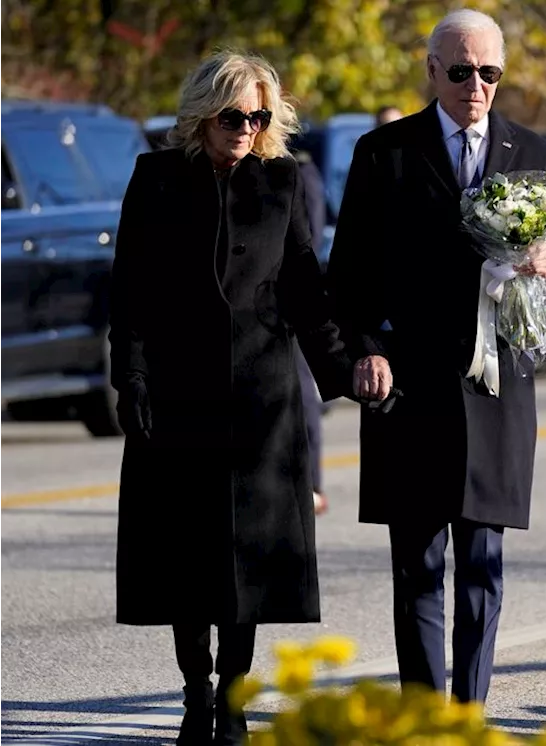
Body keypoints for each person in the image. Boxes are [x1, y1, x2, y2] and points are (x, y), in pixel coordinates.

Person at [325, 8, 546, 705]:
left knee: (483, 563)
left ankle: (467, 713)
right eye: (462, 70)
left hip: (495, 389)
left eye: (489, 73)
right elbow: (347, 277)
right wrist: (365, 351)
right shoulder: (384, 155)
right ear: (433, 71)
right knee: (417, 563)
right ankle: (422, 715)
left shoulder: (535, 153)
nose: (476, 85)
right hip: (410, 391)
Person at [108, 51, 354, 745]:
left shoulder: (283, 182)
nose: (245, 128)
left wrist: (346, 370)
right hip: (177, 397)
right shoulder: (156, 180)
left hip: (260, 400)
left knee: (246, 563)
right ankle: (194, 690)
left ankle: (234, 698)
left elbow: (306, 290)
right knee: (187, 562)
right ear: (202, 115)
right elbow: (128, 295)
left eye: (258, 116)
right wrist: (132, 382)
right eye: (232, 116)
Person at [292, 146, 331, 515]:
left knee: (304, 394)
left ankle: (312, 483)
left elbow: (309, 243)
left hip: (291, 301)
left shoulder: (299, 171)